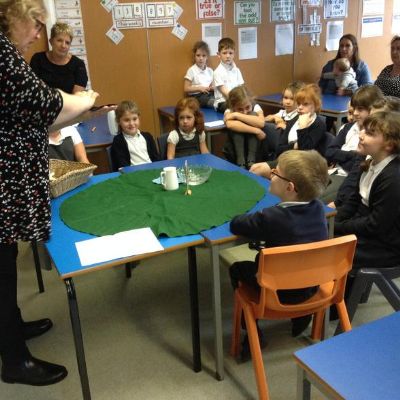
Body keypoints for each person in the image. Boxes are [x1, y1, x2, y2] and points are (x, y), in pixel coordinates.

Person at [0, 0, 109, 386]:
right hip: (4, 182)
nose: (38, 34)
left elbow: (32, 115)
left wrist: (80, 111)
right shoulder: (4, 57)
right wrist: (86, 100)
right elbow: (47, 103)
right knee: (2, 268)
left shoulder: (10, 54)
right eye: (34, 24)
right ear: (12, 17)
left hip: (8, 180)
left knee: (5, 262)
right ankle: (14, 361)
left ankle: (10, 329)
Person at [229, 150, 330, 361]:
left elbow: (237, 224)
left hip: (278, 293)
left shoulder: (271, 217)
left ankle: (253, 332)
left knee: (236, 269)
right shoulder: (319, 208)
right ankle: (302, 316)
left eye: (276, 173)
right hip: (311, 287)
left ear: (289, 187)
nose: (271, 173)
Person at [335, 111, 400, 271]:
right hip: (364, 228)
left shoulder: (393, 178)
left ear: (389, 145)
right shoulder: (369, 162)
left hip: (384, 245)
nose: (361, 135)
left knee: (326, 249)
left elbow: (375, 225)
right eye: (363, 129)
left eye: (369, 133)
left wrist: (339, 227)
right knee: (319, 234)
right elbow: (353, 202)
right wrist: (333, 222)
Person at [322, 85, 384, 204]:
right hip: (333, 171)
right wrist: (352, 155)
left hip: (348, 179)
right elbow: (329, 152)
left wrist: (340, 158)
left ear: (373, 110)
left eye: (360, 109)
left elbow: (359, 166)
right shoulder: (348, 128)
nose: (355, 113)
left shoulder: (374, 138)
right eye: (354, 109)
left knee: (317, 201)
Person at [250, 84, 327, 179]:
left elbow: (305, 152)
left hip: (304, 166)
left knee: (258, 171)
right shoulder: (294, 120)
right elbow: (279, 148)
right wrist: (294, 146)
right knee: (254, 168)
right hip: (286, 160)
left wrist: (302, 128)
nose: (300, 107)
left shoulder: (319, 124)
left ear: (315, 105)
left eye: (305, 104)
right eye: (299, 103)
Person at [30, 21, 88, 94]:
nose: (63, 46)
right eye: (59, 40)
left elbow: (77, 96)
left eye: (67, 43)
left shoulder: (78, 64)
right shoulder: (38, 59)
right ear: (51, 41)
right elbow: (33, 89)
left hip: (70, 102)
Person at [261, 81, 305, 161]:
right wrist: (274, 117)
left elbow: (296, 139)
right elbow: (263, 121)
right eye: (285, 98)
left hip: (288, 155)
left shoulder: (300, 117)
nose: (288, 102)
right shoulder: (282, 113)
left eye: (292, 99)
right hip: (275, 151)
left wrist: (285, 128)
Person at [223, 85, 265, 168]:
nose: (245, 112)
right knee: (237, 125)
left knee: (253, 115)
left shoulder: (256, 107)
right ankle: (240, 160)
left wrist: (236, 115)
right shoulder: (229, 110)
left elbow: (261, 123)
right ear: (233, 107)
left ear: (251, 102)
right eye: (240, 109)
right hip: (234, 151)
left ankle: (251, 160)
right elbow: (230, 124)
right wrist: (256, 131)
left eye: (247, 107)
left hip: (255, 151)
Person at [110, 100, 159, 171]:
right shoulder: (118, 141)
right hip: (132, 174)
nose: (131, 123)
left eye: (135, 119)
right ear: (118, 121)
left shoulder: (148, 137)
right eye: (127, 120)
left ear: (139, 118)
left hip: (152, 171)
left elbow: (156, 159)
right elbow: (122, 165)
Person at [213, 37, 244, 113]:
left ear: (234, 54)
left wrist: (245, 100)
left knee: (253, 105)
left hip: (237, 101)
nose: (228, 56)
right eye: (224, 53)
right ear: (218, 54)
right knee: (237, 109)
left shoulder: (237, 70)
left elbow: (241, 88)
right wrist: (239, 101)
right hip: (222, 103)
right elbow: (226, 93)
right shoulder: (217, 72)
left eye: (230, 53)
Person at [183, 41, 214, 108]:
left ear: (207, 57)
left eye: (204, 55)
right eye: (198, 55)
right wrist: (199, 88)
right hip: (196, 96)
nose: (201, 58)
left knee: (218, 97)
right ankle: (216, 104)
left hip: (208, 94)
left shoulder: (210, 71)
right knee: (212, 101)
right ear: (194, 56)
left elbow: (212, 85)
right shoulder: (191, 70)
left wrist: (212, 87)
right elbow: (186, 88)